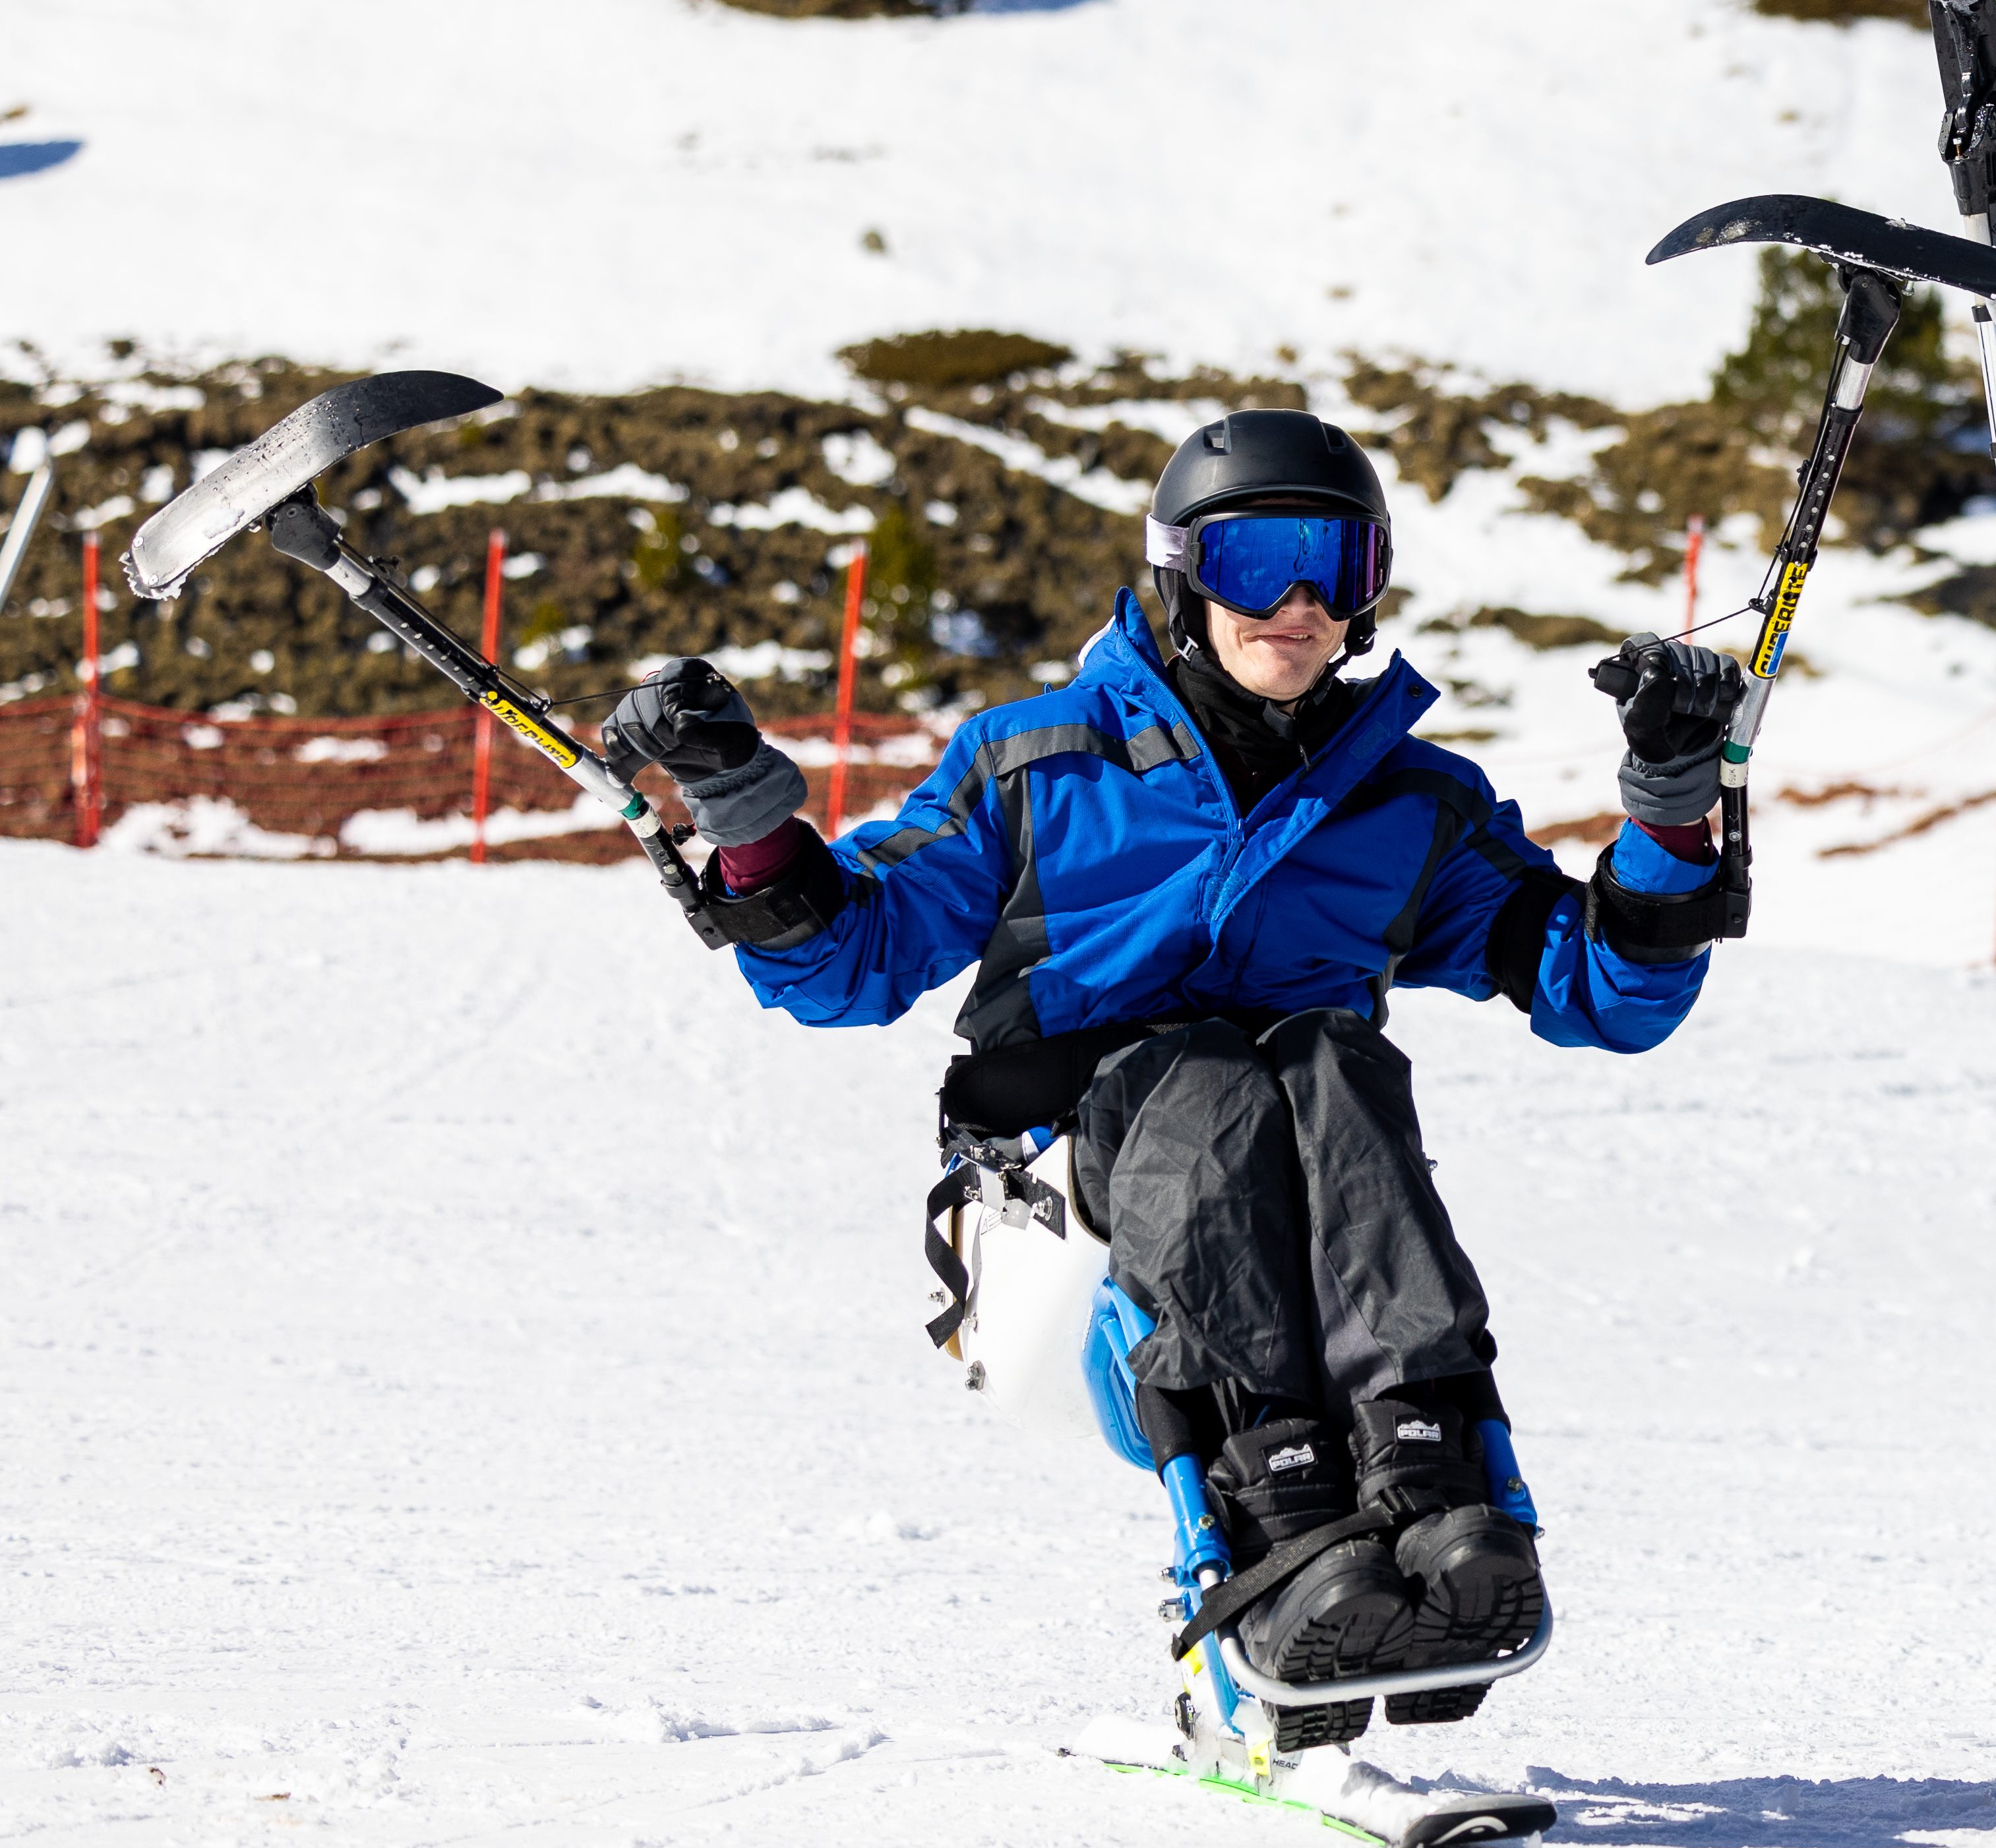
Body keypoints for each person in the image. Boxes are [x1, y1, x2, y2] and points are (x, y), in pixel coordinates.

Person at [597, 409, 1751, 1721]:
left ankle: (1439, 1492)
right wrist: (741, 807)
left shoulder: (1406, 802)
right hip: (1052, 1208)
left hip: (1304, 1192)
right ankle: (1273, 1518)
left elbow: (1602, 989)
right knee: (1202, 1069)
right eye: (1259, 562)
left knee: (1330, 1060)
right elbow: (852, 961)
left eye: (1341, 564)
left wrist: (1670, 807)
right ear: (1183, 572)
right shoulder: (1037, 761)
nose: (1301, 604)